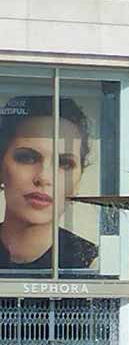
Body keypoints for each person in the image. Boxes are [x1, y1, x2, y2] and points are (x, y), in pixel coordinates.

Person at [0, 95, 97, 270]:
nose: (44, 177)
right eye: (27, 158)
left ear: (78, 178)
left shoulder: (91, 264)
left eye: (64, 163)